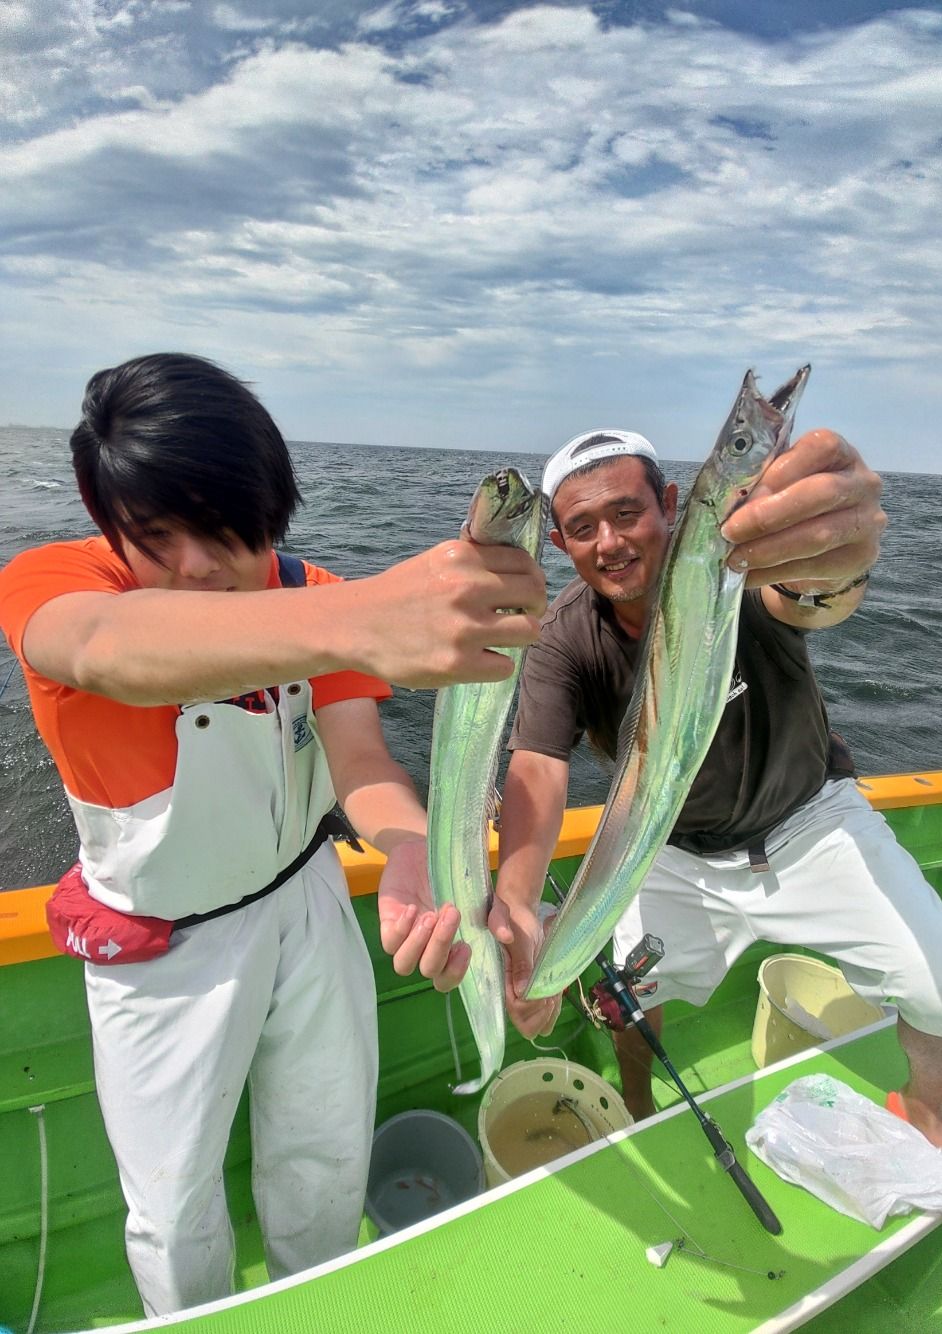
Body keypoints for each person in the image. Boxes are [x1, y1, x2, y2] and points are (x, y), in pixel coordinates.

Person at [0, 352, 546, 1317]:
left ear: (273, 509)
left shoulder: (307, 590)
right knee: (171, 1206)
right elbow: (102, 649)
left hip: (307, 897)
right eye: (155, 537)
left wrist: (411, 850)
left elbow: (361, 761)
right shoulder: (57, 584)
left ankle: (315, 1309)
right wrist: (365, 617)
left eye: (224, 530)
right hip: (161, 946)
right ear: (105, 520)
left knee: (326, 1150)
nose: (194, 567)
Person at [494, 423, 942, 1165]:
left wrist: (840, 562)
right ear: (560, 542)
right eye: (582, 527)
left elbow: (809, 597)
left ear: (670, 505)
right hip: (671, 849)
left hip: (811, 824)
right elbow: (537, 766)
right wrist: (516, 909)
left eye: (628, 513)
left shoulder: (739, 578)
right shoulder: (564, 637)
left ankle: (926, 1102)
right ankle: (639, 1104)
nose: (610, 542)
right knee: (627, 1000)